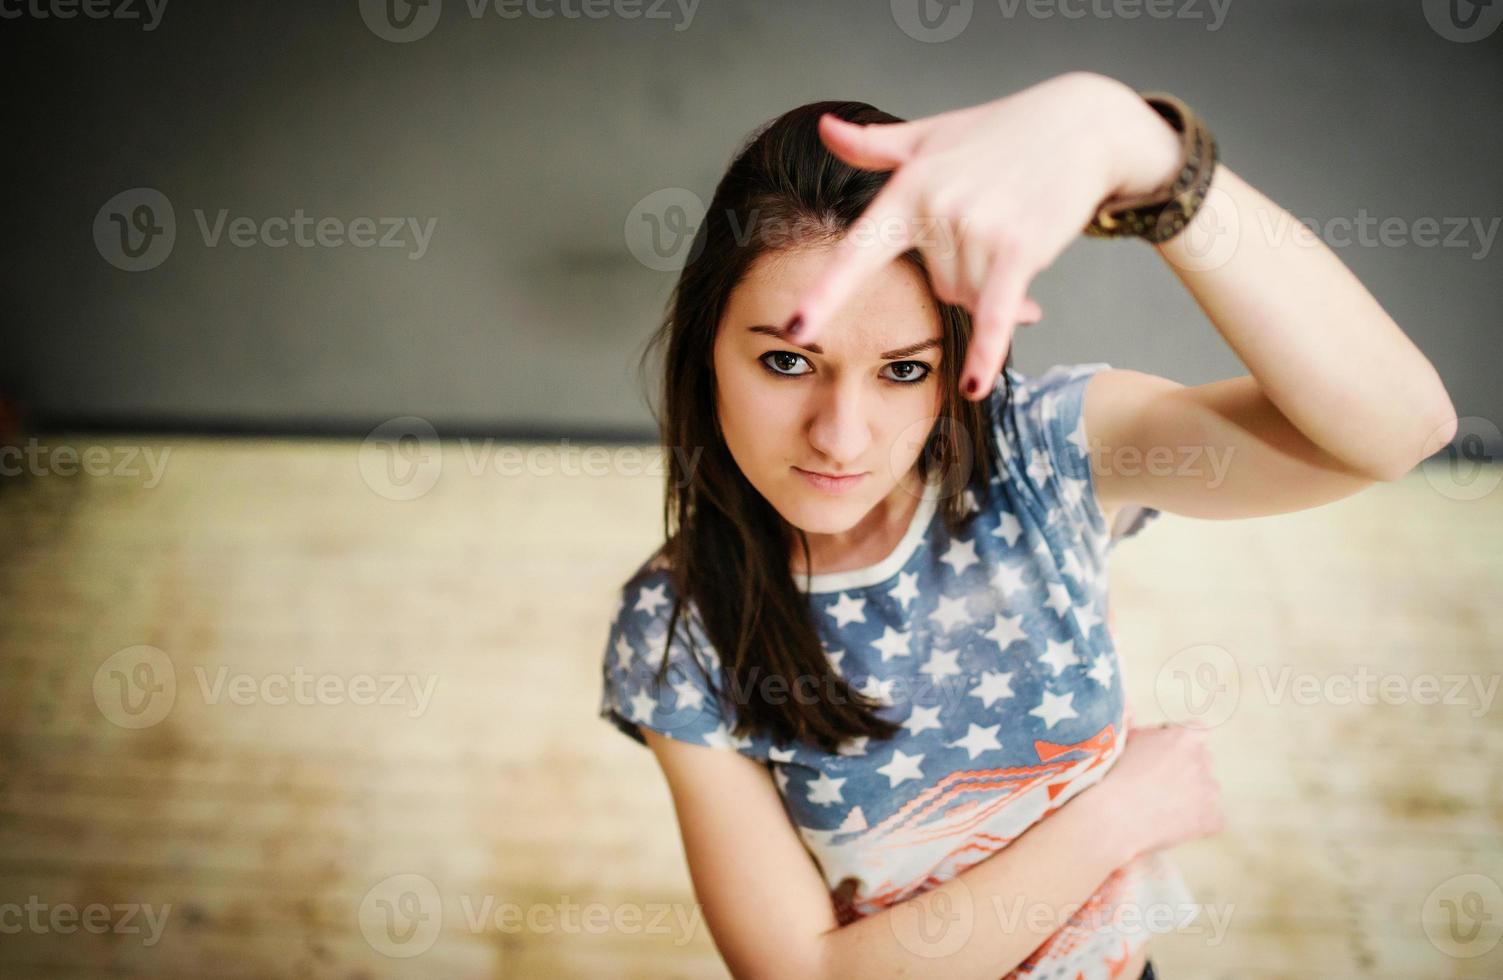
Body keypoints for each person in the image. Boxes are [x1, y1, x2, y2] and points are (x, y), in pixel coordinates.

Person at [598, 71, 1457, 979]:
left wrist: (1150, 162)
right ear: (706, 350)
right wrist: (1115, 819)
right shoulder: (677, 626)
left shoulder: (1036, 457)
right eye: (785, 360)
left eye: (901, 370)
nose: (840, 435)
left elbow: (1398, 430)